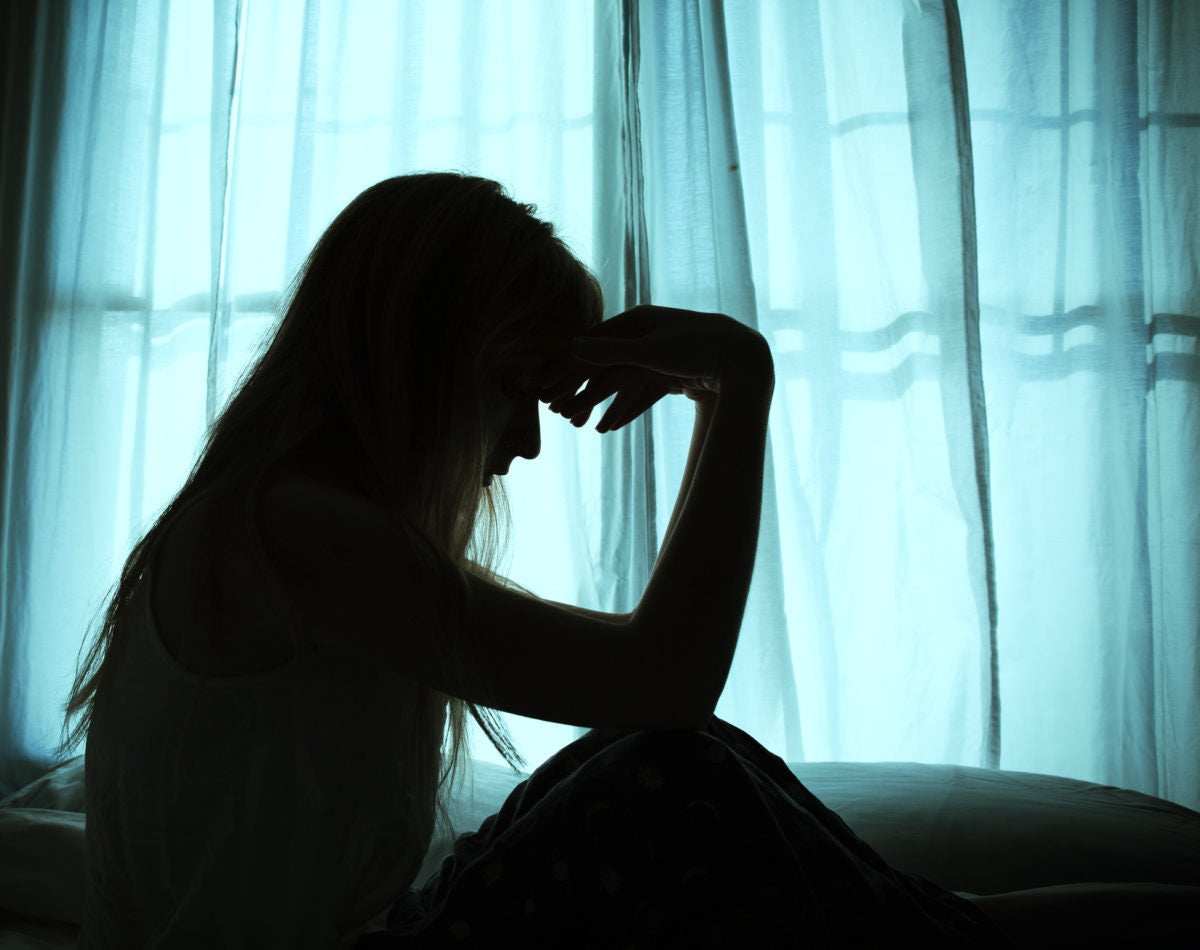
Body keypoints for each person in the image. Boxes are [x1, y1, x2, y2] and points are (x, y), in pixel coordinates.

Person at [62, 173, 1008, 947]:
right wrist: (737, 384)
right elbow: (665, 678)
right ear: (414, 357)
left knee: (675, 760)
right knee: (673, 777)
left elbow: (656, 698)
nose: (526, 442)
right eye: (513, 384)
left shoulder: (285, 520)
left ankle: (943, 926)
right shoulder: (290, 532)